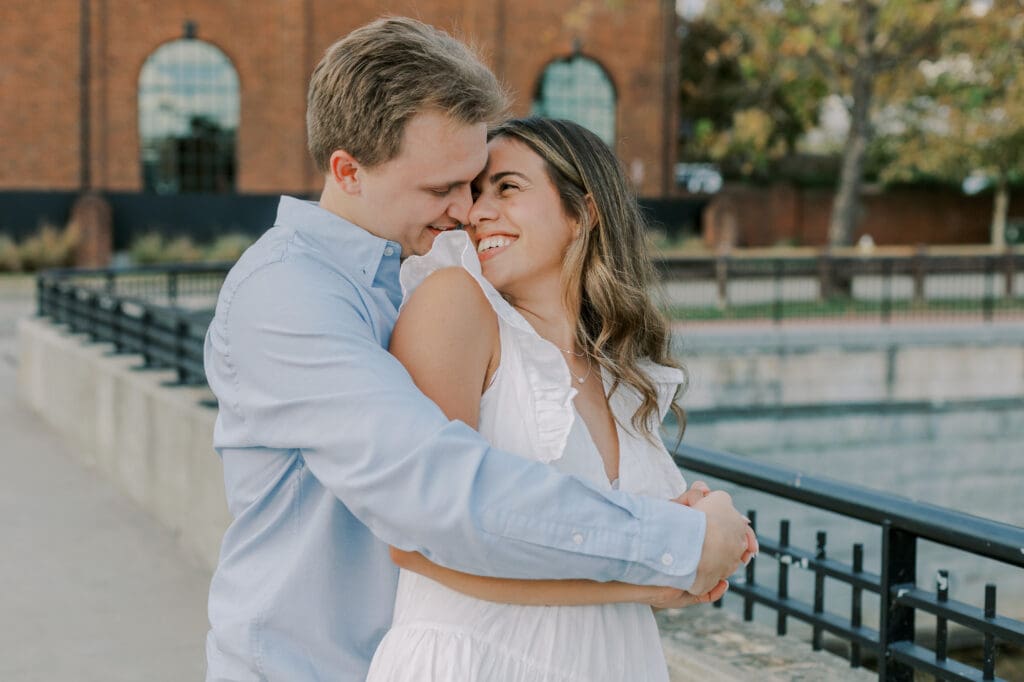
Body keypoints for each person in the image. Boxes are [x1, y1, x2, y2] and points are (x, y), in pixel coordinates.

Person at [203, 17, 755, 682]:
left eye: (479, 182)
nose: (466, 210)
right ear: (348, 171)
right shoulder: (287, 295)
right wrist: (678, 546)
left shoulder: (414, 279)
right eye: (443, 189)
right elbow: (434, 489)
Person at [365, 117, 738, 681]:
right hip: (478, 663)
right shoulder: (454, 304)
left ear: (583, 212)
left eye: (506, 187)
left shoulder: (617, 371)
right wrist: (650, 577)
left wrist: (706, 522)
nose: (475, 211)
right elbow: (415, 542)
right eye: (473, 192)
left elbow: (610, 531)